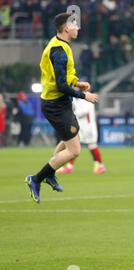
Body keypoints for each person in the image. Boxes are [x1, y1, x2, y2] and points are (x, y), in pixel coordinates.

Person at [25, 12, 98, 203]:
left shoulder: (61, 45)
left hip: (59, 102)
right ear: (66, 28)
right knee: (74, 150)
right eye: (74, 25)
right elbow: (60, 85)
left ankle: (50, 173)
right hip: (55, 104)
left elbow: (64, 78)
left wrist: (77, 82)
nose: (77, 28)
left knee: (71, 138)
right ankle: (37, 178)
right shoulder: (59, 50)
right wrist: (85, 96)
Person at [57, 97, 106, 175]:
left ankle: (100, 165)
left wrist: (69, 112)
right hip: (81, 126)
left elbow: (82, 112)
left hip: (88, 127)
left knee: (91, 146)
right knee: (74, 146)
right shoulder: (78, 99)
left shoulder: (87, 99)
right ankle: (70, 166)